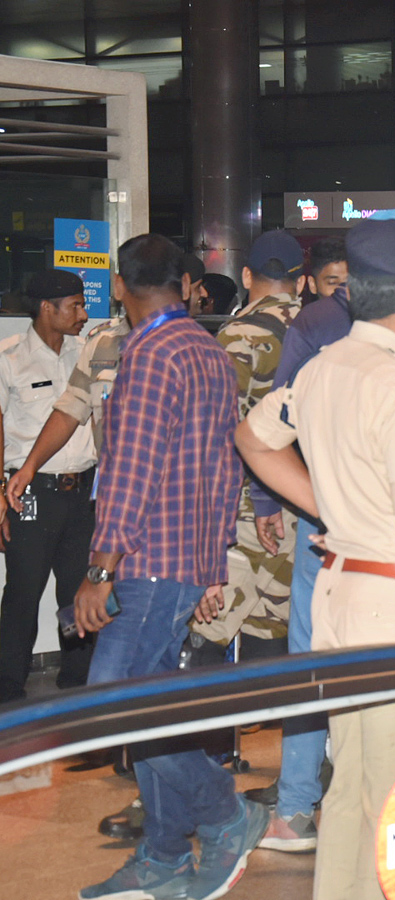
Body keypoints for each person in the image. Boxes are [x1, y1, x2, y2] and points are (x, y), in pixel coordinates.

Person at [236, 218, 395, 899]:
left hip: (340, 609)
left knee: (351, 791)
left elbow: (254, 439)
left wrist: (333, 509)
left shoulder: (323, 369)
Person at [74, 233, 264, 900]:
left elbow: (132, 468)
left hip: (147, 562)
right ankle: (162, 854)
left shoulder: (151, 353)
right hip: (181, 558)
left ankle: (225, 815)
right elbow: (223, 466)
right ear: (184, 283)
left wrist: (101, 567)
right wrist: (211, 564)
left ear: (121, 286)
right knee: (146, 703)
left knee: (116, 704)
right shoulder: (208, 352)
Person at [190, 229, 305, 662]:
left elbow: (217, 434)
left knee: (208, 625)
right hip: (306, 500)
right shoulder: (321, 328)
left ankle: (203, 729)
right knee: (271, 617)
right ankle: (262, 715)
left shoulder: (238, 336)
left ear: (244, 274)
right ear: (303, 280)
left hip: (247, 511)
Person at [0, 270, 95, 704]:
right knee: (24, 589)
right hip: (32, 490)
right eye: (74, 305)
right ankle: (8, 684)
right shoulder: (9, 358)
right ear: (47, 309)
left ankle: (77, 678)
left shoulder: (89, 353)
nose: (83, 312)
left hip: (85, 490)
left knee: (78, 590)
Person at [302, 236, 348, 305]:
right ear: (313, 284)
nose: (343, 291)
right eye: (332, 283)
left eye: (350, 283)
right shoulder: (304, 315)